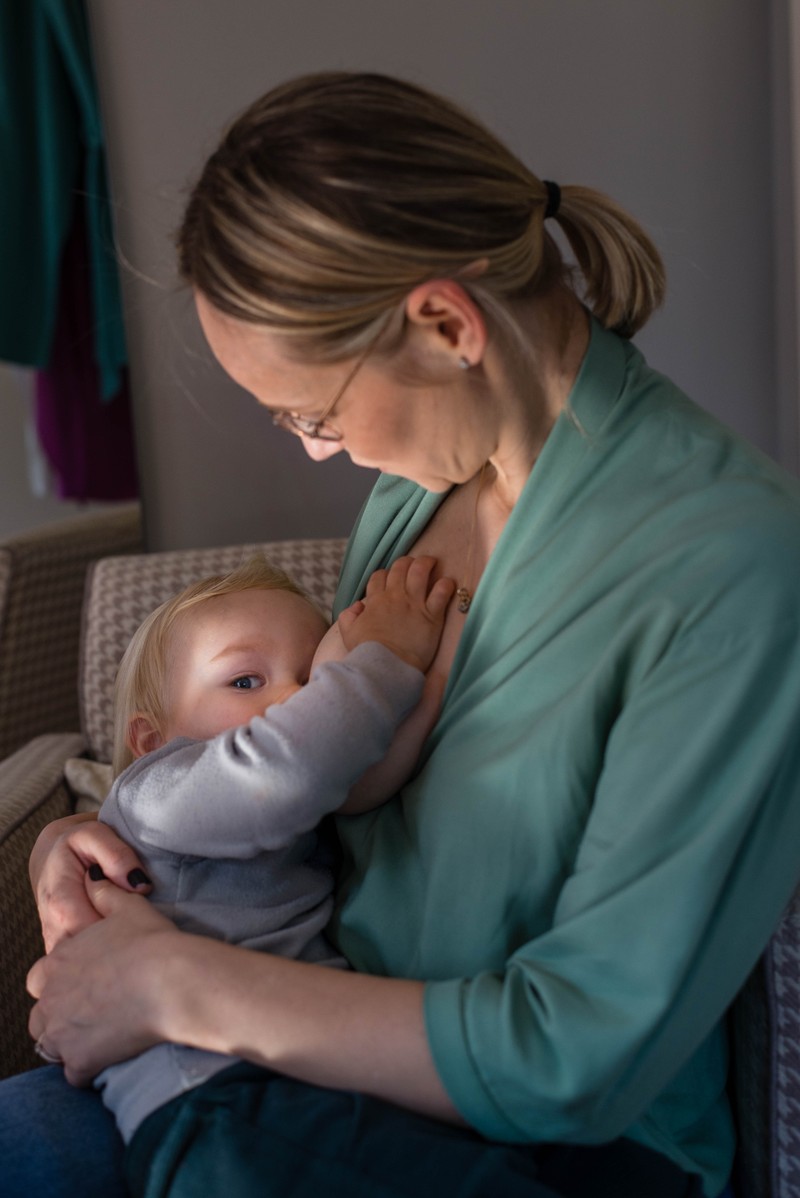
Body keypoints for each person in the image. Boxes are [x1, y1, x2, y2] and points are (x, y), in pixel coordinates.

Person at [6, 70, 800, 1198]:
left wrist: (171, 985)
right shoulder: (421, 494)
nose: (314, 456)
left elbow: (576, 1055)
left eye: (311, 414)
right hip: (286, 1068)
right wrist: (103, 839)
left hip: (539, 1154)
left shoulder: (729, 564)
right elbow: (314, 774)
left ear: (443, 324)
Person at [91, 551, 453, 1143]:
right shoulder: (152, 792)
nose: (293, 699)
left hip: (309, 1060)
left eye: (312, 678)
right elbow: (289, 769)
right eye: (244, 681)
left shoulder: (294, 793)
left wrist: (429, 680)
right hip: (201, 1085)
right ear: (151, 738)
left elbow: (361, 776)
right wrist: (387, 659)